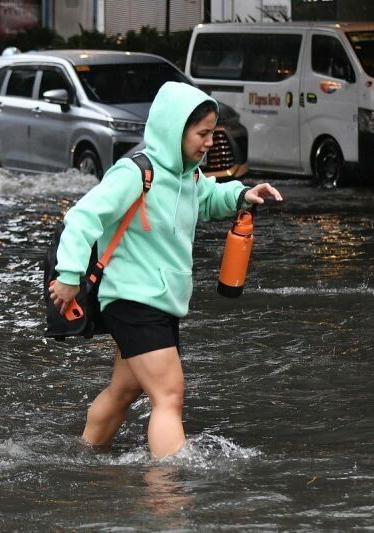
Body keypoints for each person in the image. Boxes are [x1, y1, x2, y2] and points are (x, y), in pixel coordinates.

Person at [49, 82, 282, 459]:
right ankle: (169, 491)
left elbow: (206, 199)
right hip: (133, 299)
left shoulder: (187, 176)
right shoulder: (134, 172)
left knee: (125, 390)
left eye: (212, 133)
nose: (209, 142)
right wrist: (69, 276)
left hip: (161, 301)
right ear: (175, 130)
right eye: (202, 133)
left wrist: (242, 194)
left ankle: (84, 455)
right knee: (169, 395)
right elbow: (82, 219)